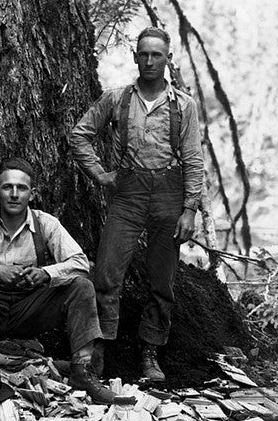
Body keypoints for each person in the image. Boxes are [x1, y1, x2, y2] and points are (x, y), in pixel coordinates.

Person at [70, 26, 203, 382]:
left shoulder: (184, 106)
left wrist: (190, 209)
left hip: (169, 195)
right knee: (106, 273)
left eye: (156, 55)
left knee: (162, 280)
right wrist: (101, 175)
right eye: (143, 54)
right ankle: (99, 350)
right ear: (135, 57)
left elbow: (193, 158)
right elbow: (80, 135)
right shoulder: (117, 99)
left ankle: (150, 352)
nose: (148, 61)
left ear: (167, 59)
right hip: (127, 193)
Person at [0, 157, 116, 404]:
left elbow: (80, 262)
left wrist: (46, 274)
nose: (14, 194)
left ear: (32, 193)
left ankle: (82, 370)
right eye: (7, 187)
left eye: (21, 188)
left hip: (30, 312)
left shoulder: (46, 223)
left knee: (81, 286)